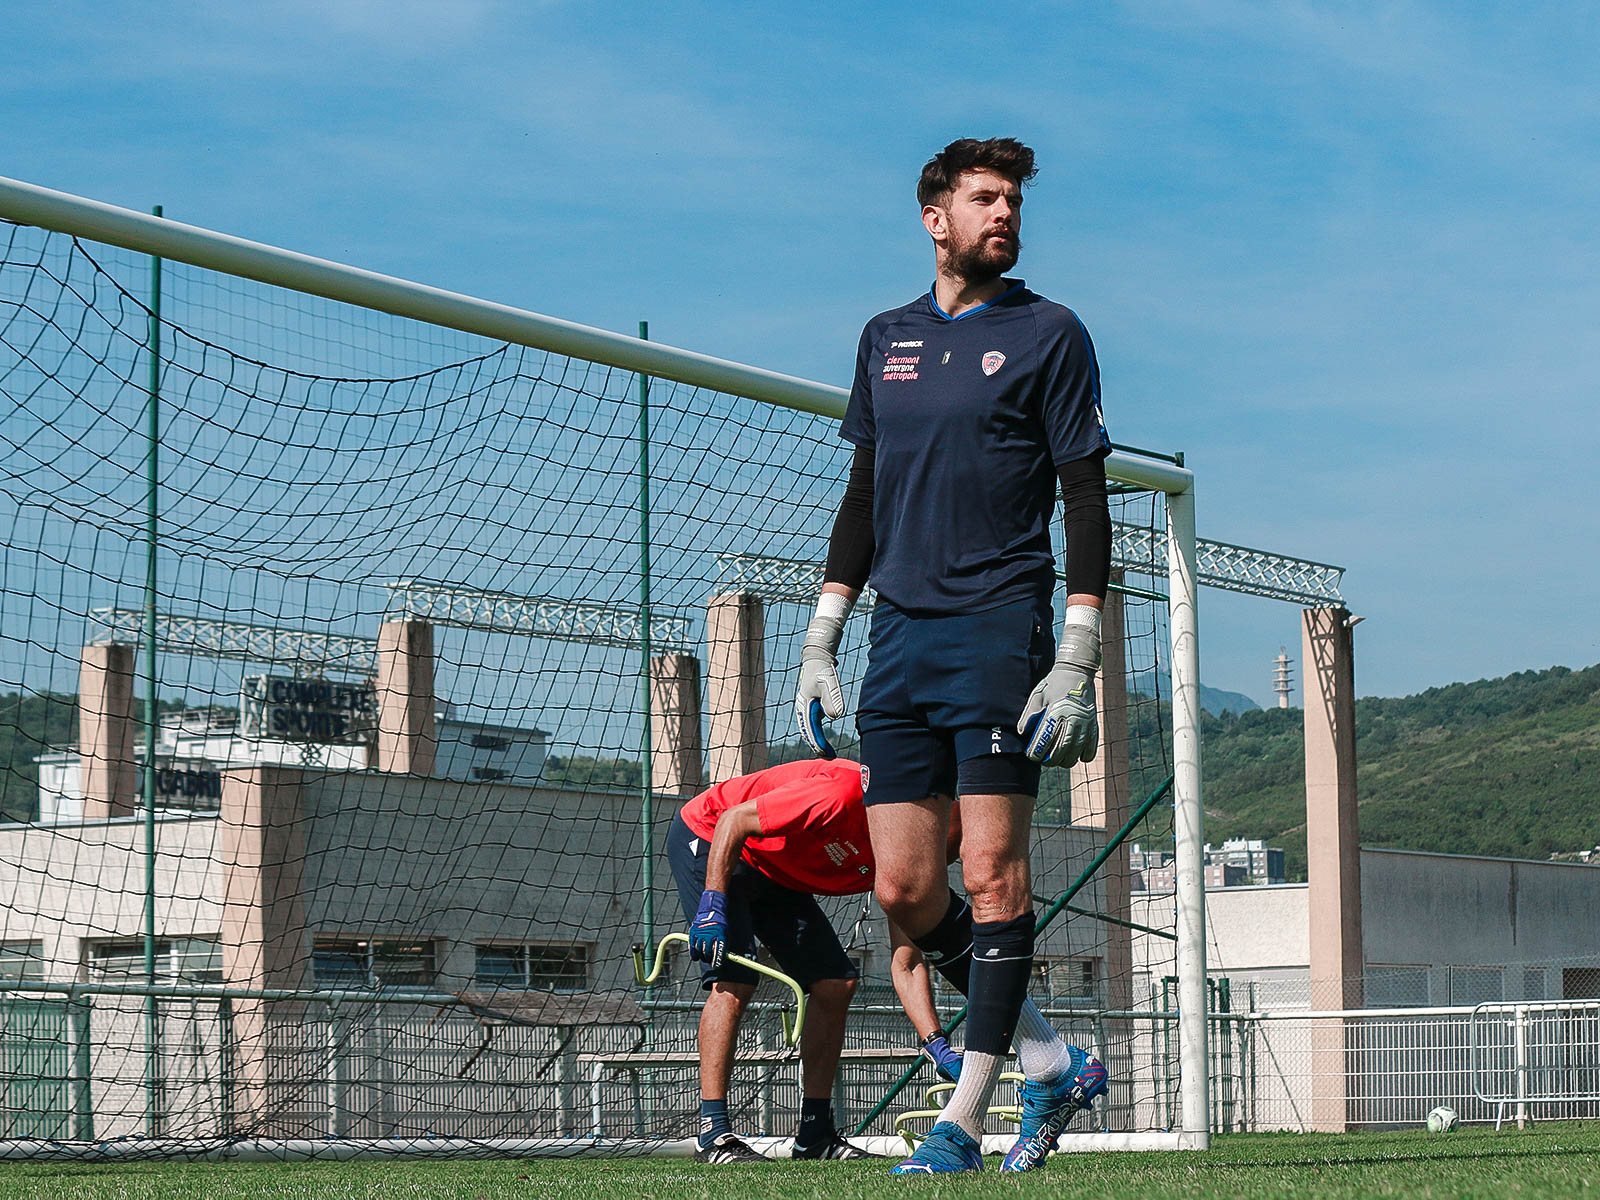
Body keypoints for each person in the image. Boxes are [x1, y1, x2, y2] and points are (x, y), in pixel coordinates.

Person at [793, 136, 1112, 1174]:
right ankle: (1052, 1060)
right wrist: (822, 635)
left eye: (1011, 199)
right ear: (935, 219)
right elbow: (862, 493)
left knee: (991, 875)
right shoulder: (883, 337)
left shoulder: (1050, 333)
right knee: (899, 887)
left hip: (998, 624)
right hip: (899, 636)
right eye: (982, 198)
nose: (1002, 213)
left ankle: (962, 1121)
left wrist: (1075, 654)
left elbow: (1083, 495)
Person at [671, 756, 957, 1163]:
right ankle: (712, 1133)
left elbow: (907, 962)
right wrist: (714, 903)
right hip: (713, 834)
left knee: (835, 984)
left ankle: (815, 1135)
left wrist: (936, 1043)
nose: (939, 865)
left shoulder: (910, 865)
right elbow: (733, 820)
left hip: (776, 868)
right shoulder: (842, 795)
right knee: (734, 979)